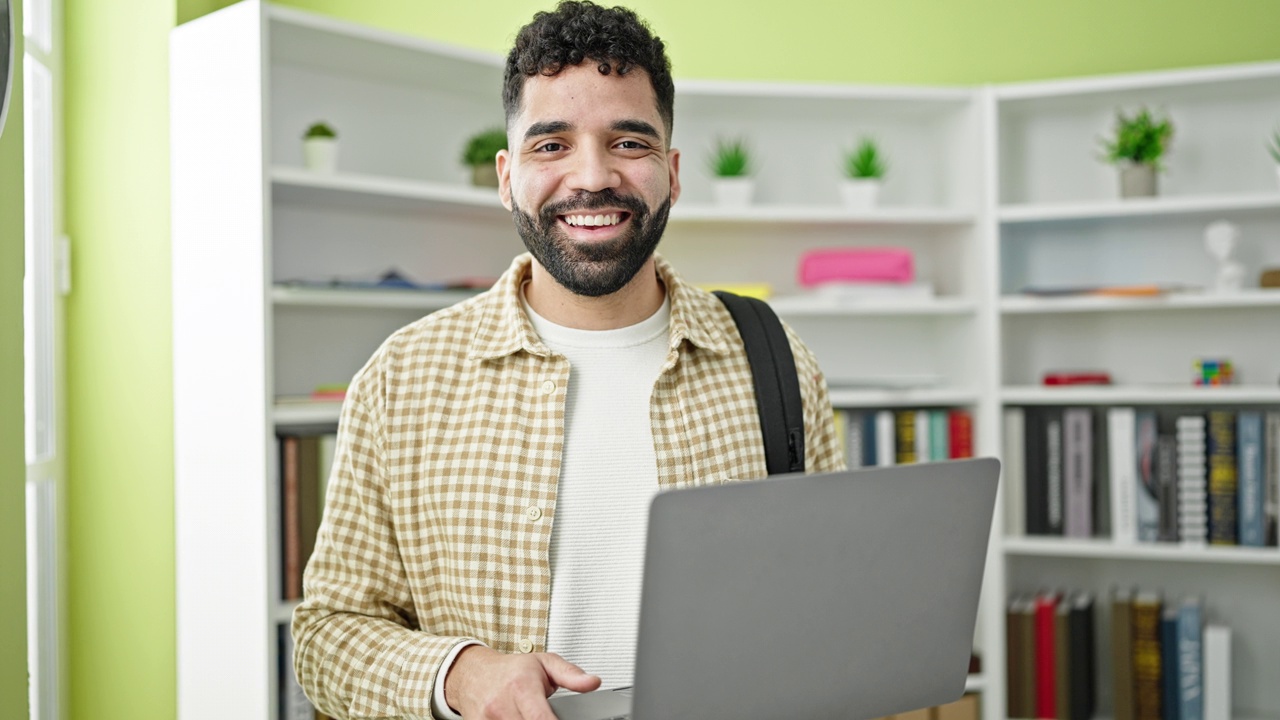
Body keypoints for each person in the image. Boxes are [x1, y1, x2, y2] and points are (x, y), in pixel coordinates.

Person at [292, 2, 843, 718]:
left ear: (672, 172)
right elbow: (326, 636)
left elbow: (826, 600)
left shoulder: (772, 356)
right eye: (551, 145)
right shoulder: (402, 380)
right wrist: (462, 674)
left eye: (629, 143)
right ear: (506, 174)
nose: (592, 177)